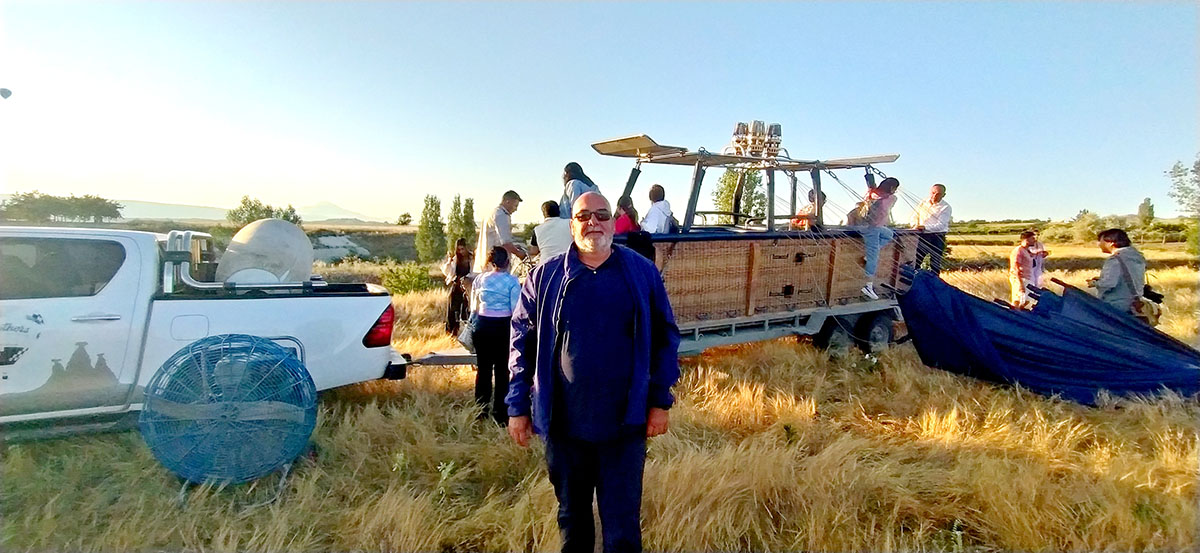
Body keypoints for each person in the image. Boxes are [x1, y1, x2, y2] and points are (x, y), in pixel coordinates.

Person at [507, 192, 681, 553]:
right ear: (572, 226)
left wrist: (660, 401)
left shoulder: (641, 273)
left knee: (622, 527)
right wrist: (517, 407)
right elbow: (521, 343)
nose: (593, 223)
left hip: (625, 426)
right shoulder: (545, 277)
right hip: (565, 426)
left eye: (602, 215)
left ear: (613, 223)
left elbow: (665, 337)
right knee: (573, 520)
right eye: (584, 216)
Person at [470, 246, 521, 425]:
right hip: (503, 328)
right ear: (507, 261)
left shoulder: (480, 279)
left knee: (483, 370)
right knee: (502, 371)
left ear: (490, 262)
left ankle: (481, 410)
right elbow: (515, 309)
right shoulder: (512, 281)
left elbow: (474, 307)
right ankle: (501, 414)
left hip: (482, 326)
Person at [856, 177, 899, 300]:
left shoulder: (871, 194)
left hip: (871, 226)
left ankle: (868, 257)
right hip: (872, 229)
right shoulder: (890, 198)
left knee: (889, 235)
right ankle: (868, 286)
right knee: (873, 257)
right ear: (892, 188)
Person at [1087, 228, 1147, 315]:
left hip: (1116, 306)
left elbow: (1108, 284)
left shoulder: (1115, 259)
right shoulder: (1137, 256)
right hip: (1134, 305)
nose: (1098, 244)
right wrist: (1101, 278)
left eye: (1100, 241)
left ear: (1111, 242)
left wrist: (1094, 283)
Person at [474, 190, 527, 273]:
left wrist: (513, 247)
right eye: (515, 206)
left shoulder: (491, 213)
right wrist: (520, 254)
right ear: (507, 201)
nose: (516, 209)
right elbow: (505, 242)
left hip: (486, 261)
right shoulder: (501, 215)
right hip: (497, 263)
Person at [909, 183, 953, 274]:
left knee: (935, 264)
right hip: (921, 235)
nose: (934, 196)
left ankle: (933, 281)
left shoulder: (946, 207)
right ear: (930, 192)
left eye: (938, 194)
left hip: (937, 237)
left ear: (944, 195)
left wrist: (924, 227)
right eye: (933, 193)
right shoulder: (923, 202)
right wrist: (914, 225)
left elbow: (941, 225)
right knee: (917, 260)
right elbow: (915, 215)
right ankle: (915, 280)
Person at [439, 238, 474, 335]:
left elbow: (475, 272)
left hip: (468, 287)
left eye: (462, 249)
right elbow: (447, 272)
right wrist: (449, 262)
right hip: (457, 286)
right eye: (459, 249)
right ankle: (451, 331)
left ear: (466, 248)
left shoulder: (473, 258)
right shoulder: (455, 259)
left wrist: (467, 279)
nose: (461, 252)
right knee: (452, 309)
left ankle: (467, 333)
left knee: (467, 310)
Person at [1009, 231, 1038, 308]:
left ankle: (1019, 312)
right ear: (1026, 239)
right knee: (1019, 300)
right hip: (1020, 278)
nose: (1034, 240)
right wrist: (1020, 283)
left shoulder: (1026, 251)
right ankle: (1014, 312)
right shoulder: (1018, 250)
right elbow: (1016, 267)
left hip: (1027, 278)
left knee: (1027, 300)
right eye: (1032, 238)